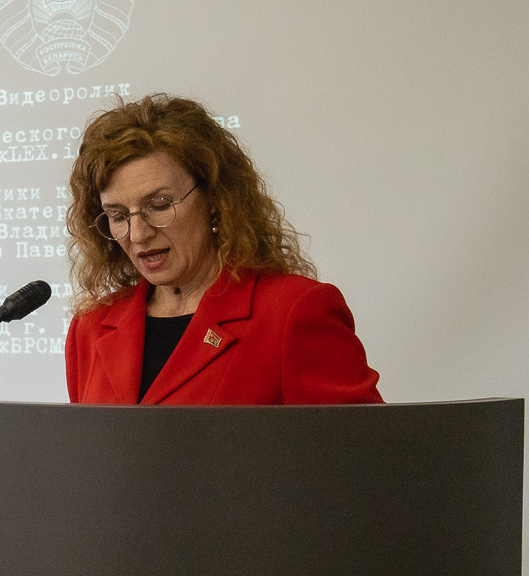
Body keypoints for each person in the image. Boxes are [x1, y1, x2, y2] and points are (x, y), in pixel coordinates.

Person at [63, 95, 382, 406]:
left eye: (159, 205)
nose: (138, 234)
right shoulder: (90, 328)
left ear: (215, 199)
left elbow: (360, 442)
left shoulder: (294, 312)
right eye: (118, 216)